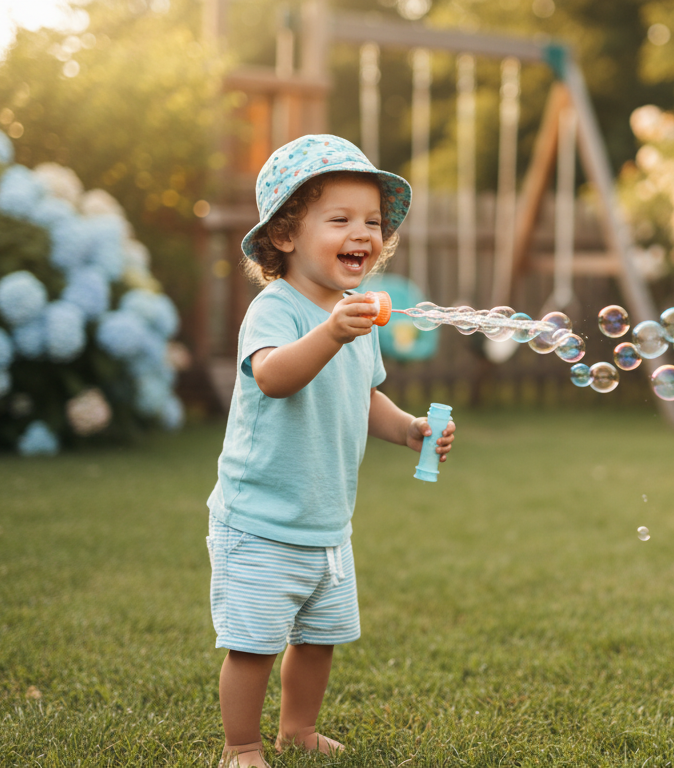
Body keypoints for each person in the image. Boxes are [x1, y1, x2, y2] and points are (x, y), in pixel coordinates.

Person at [206, 135, 455, 768]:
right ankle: (241, 746)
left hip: (325, 521)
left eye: (372, 222)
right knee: (254, 645)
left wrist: (409, 429)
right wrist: (330, 333)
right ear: (285, 234)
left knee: (319, 639)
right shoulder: (275, 309)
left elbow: (363, 395)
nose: (362, 234)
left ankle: (298, 730)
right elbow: (273, 377)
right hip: (260, 520)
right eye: (340, 219)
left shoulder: (353, 315)